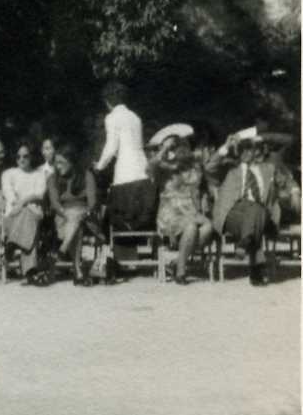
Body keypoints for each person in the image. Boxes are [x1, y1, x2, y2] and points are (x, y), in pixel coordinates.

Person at [206, 131, 300, 287]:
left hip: (261, 216)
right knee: (255, 210)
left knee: (255, 209)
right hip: (233, 215)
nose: (246, 153)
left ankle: (245, 242)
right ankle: (255, 269)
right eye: (243, 150)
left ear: (256, 152)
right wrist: (225, 147)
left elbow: (288, 181)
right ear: (238, 152)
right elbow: (209, 168)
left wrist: (295, 191)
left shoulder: (268, 169)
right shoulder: (230, 168)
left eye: (250, 150)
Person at [148, 130, 214, 285]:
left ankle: (177, 261)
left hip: (191, 212)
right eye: (178, 147)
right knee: (191, 227)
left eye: (185, 146)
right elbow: (150, 166)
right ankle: (181, 271)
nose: (182, 150)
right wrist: (164, 148)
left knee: (208, 227)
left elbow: (205, 174)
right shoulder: (165, 168)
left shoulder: (194, 168)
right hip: (170, 214)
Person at [93, 81, 154, 235]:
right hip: (142, 171)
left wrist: (99, 166)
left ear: (107, 101)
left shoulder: (112, 117)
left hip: (126, 172)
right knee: (138, 215)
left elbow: (111, 146)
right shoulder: (135, 117)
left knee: (120, 216)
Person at [0, 141, 53, 282]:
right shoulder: (8, 174)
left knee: (29, 217)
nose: (21, 159)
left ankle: (11, 244)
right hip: (13, 216)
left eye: (25, 156)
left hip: (32, 216)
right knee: (29, 220)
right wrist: (26, 203)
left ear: (31, 157)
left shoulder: (39, 175)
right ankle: (30, 271)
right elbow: (9, 194)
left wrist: (23, 202)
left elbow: (40, 194)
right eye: (18, 156)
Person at [45, 143, 98, 285]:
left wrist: (83, 213)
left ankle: (62, 250)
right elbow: (55, 203)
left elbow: (92, 203)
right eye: (56, 163)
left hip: (86, 217)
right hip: (62, 217)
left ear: (72, 161)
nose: (58, 166)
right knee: (75, 223)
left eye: (61, 162)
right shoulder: (52, 179)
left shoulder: (86, 175)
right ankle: (77, 270)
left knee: (77, 217)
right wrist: (66, 214)